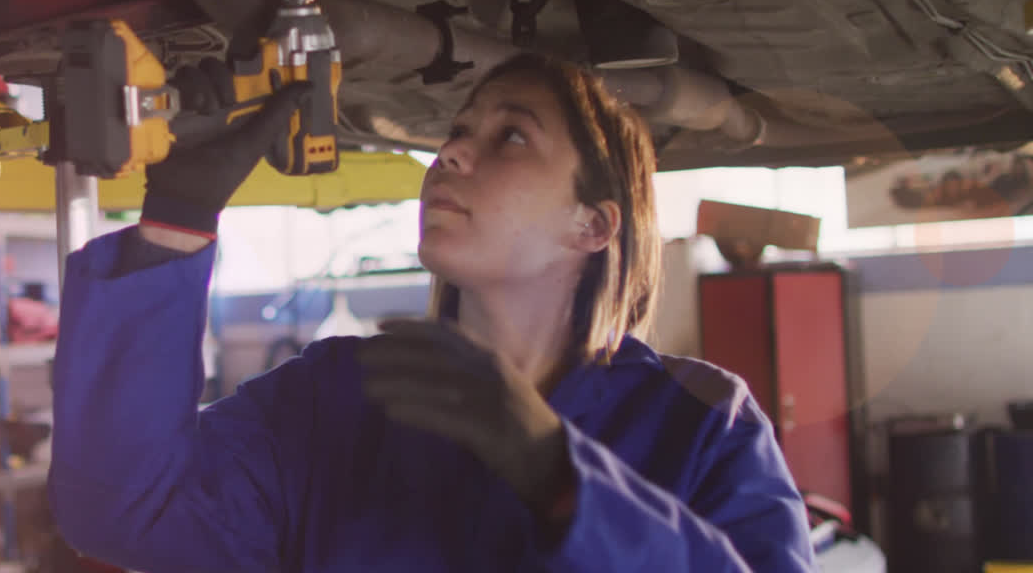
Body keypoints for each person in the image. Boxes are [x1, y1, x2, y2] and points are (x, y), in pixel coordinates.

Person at [49, 53, 817, 572]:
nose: (448, 155)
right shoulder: (337, 397)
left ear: (594, 225)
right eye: (456, 131)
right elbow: (125, 511)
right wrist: (178, 213)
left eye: (510, 136)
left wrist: (559, 476)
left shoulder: (702, 423)